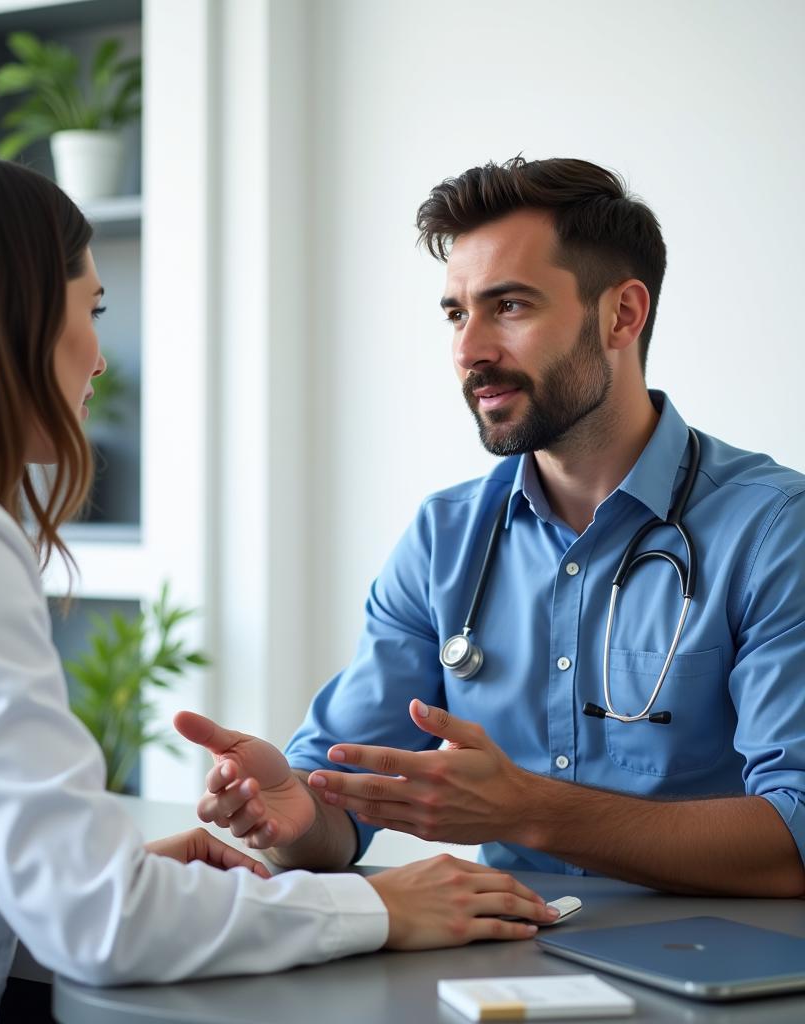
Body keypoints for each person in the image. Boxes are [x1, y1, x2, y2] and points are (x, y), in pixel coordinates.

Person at [0, 144, 560, 1024]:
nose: (100, 359)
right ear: (6, 319)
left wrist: (146, 877)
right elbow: (100, 924)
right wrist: (379, 906)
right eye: (93, 310)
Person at [177, 156, 805, 899]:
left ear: (622, 316)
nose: (468, 350)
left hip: (723, 984)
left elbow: (794, 841)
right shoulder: (445, 540)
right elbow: (334, 814)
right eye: (455, 312)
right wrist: (294, 816)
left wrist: (534, 812)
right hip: (510, 971)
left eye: (509, 306)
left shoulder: (772, 531)